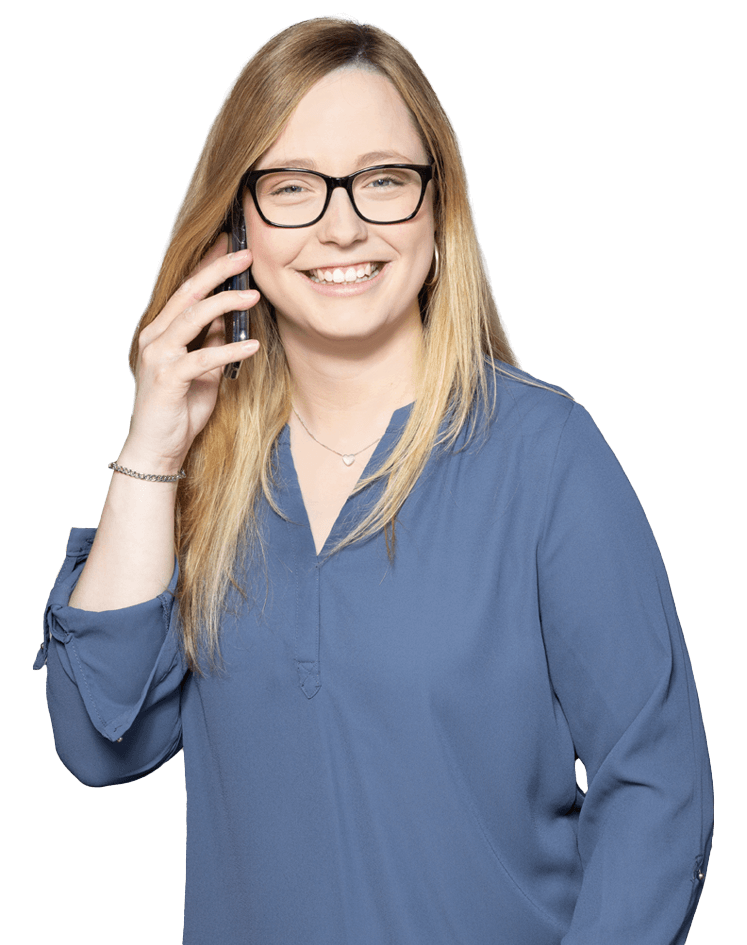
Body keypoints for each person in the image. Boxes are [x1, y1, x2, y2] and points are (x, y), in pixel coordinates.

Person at [34, 15, 713, 944]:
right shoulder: (205, 468)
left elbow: (654, 783)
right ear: (237, 223)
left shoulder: (545, 453)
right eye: (292, 186)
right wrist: (151, 447)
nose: (342, 224)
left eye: (383, 180)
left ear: (437, 207)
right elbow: (98, 742)